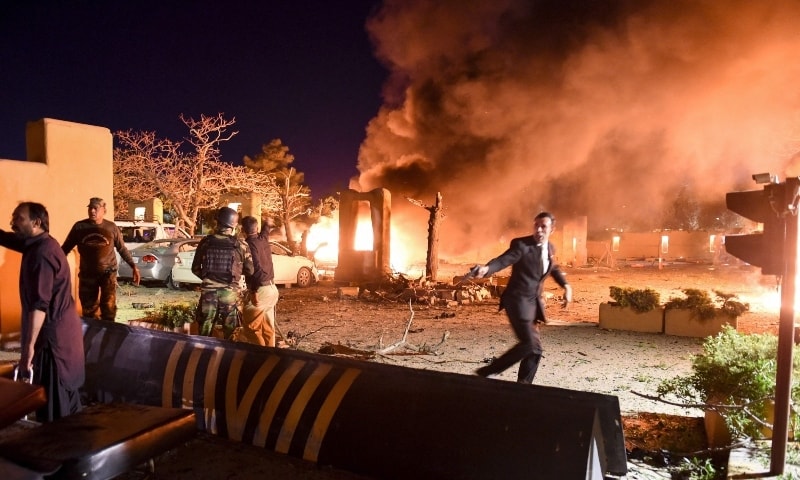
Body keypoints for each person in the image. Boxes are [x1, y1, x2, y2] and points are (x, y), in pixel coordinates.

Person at [0, 202, 85, 421]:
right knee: (65, 407)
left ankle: (60, 452)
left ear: (36, 223)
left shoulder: (42, 254)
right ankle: (73, 448)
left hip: (54, 342)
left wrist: (27, 350)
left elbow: (39, 306)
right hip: (61, 335)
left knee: (55, 411)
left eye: (18, 218)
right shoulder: (39, 243)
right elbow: (10, 238)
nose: (12, 223)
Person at [469, 211, 572, 384]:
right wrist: (487, 269)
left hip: (533, 304)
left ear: (552, 230)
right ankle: (487, 372)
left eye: (543, 226)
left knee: (536, 350)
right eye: (536, 225)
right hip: (517, 301)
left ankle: (523, 387)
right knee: (530, 343)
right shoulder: (521, 245)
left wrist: (566, 286)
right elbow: (504, 260)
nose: (539, 230)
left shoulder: (550, 248)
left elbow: (553, 268)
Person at [61, 197, 140, 321]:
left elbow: (122, 249)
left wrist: (134, 266)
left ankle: (108, 335)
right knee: (89, 309)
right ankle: (92, 336)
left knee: (108, 308)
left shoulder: (111, 228)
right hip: (87, 274)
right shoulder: (79, 227)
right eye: (90, 208)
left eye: (96, 208)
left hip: (108, 274)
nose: (92, 211)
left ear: (104, 210)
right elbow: (65, 248)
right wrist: (54, 264)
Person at [191, 207, 254, 339]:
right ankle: (227, 358)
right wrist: (236, 273)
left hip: (209, 293)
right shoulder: (241, 245)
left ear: (218, 222)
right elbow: (250, 270)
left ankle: (202, 356)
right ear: (233, 225)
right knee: (230, 333)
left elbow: (195, 268)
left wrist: (209, 279)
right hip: (230, 293)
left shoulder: (206, 242)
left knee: (204, 333)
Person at [238, 216, 280, 347]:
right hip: (272, 289)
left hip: (260, 290)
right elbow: (265, 231)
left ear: (242, 230)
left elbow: (254, 269)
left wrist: (253, 291)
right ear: (256, 228)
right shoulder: (262, 239)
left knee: (251, 329)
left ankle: (259, 359)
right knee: (268, 329)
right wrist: (267, 223)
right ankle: (271, 359)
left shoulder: (248, 246)